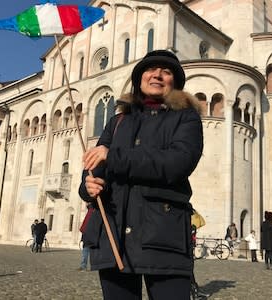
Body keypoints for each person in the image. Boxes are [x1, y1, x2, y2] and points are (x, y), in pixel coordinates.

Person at [79, 50, 204, 300]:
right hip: (114, 235)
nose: (157, 75)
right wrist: (88, 187)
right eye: (150, 70)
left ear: (175, 82)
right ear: (139, 79)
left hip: (162, 235)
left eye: (166, 71)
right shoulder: (117, 122)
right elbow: (94, 169)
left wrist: (113, 157)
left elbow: (177, 164)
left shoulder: (186, 117)